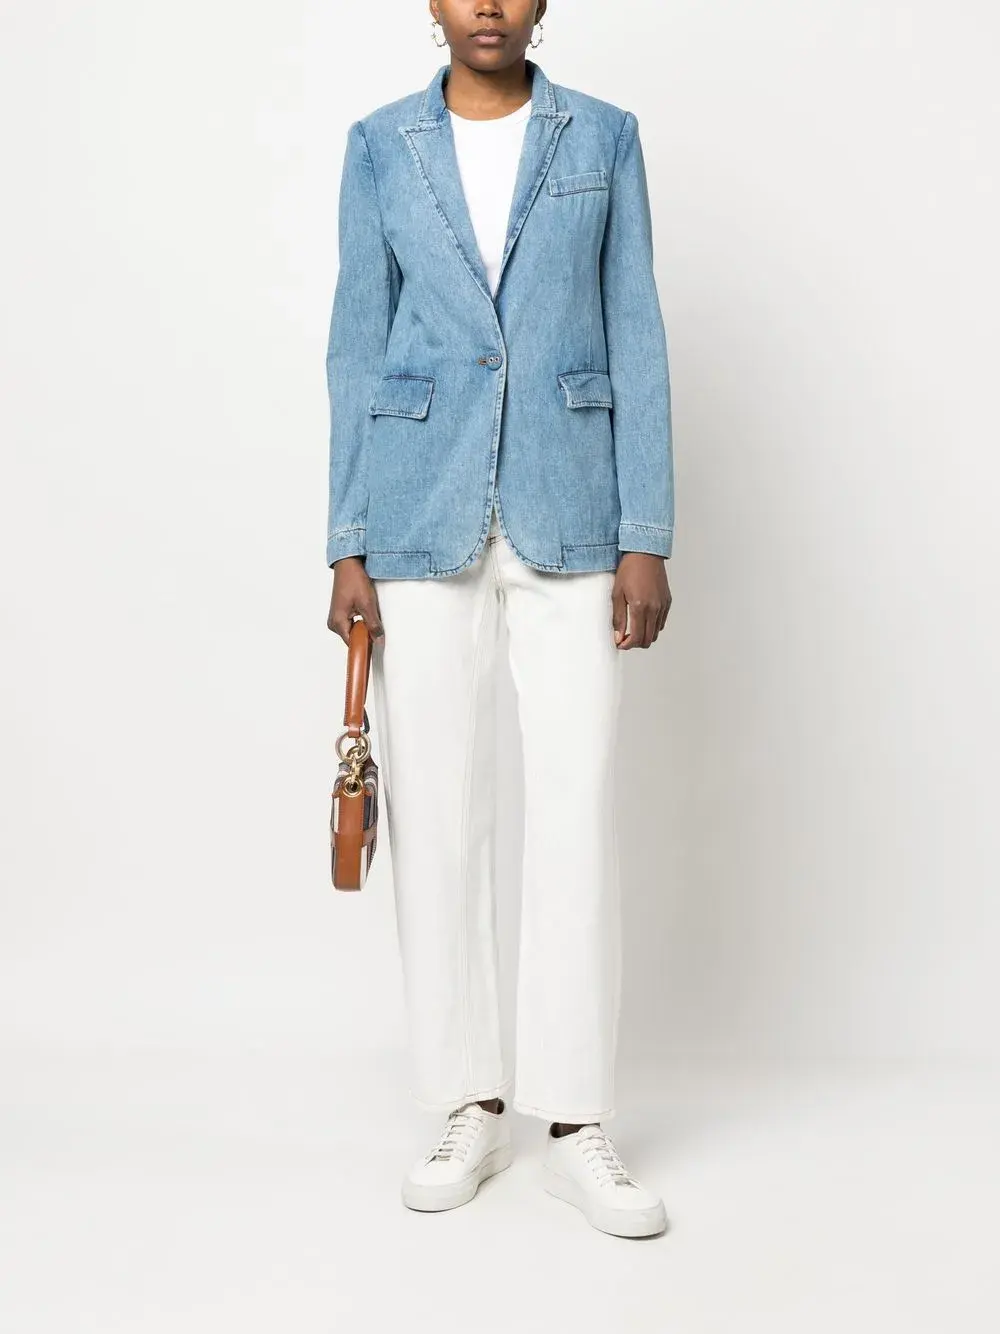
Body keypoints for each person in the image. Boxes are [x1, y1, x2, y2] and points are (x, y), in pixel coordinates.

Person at [325, 1, 673, 1240]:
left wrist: (646, 529)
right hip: (419, 508)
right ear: (431, 4)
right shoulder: (379, 145)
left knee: (575, 807)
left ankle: (575, 1119)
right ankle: (467, 1100)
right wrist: (348, 537)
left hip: (570, 506)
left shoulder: (603, 136)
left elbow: (636, 332)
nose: (488, 4)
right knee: (440, 811)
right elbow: (355, 345)